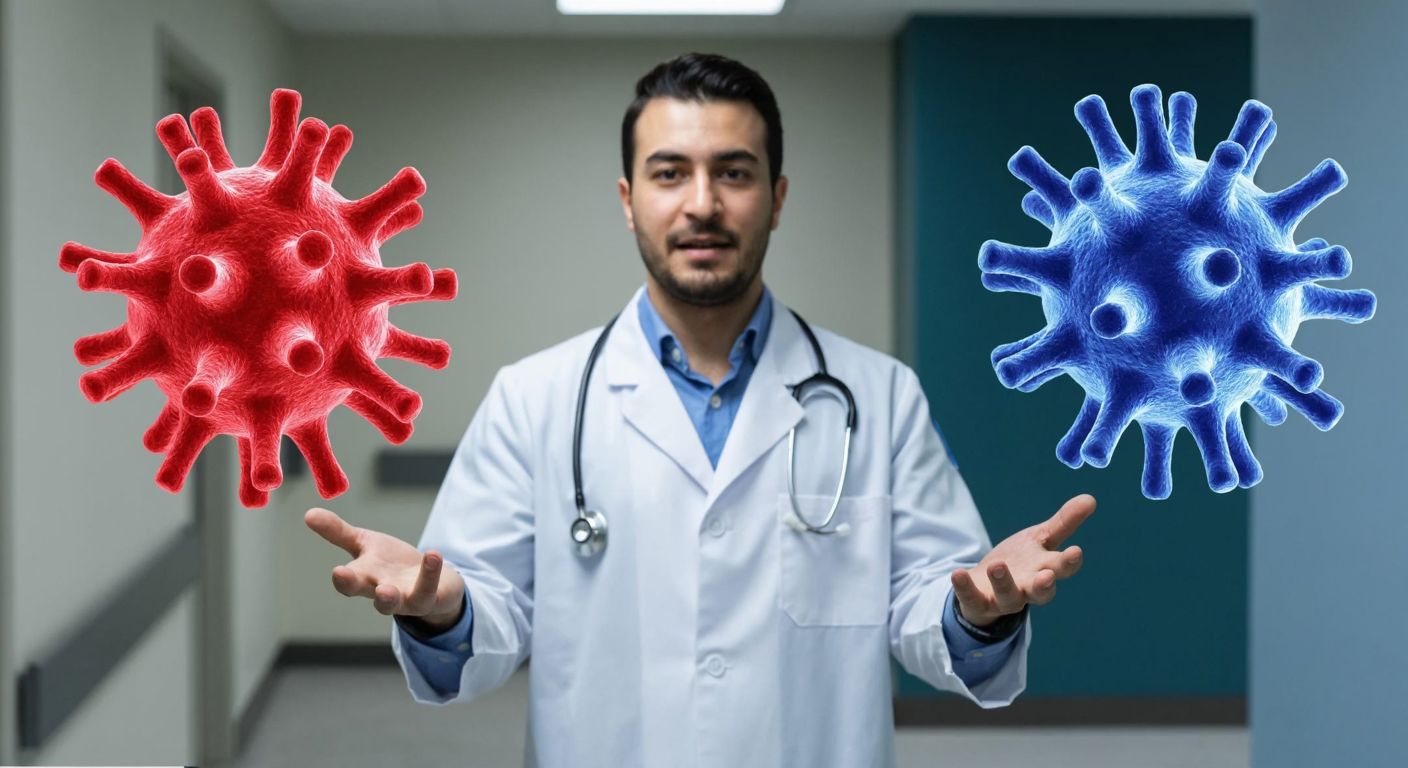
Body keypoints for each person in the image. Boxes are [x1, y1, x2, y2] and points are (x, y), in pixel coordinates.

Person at [305, 52, 1092, 767]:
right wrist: (443, 611)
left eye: (736, 173)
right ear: (628, 198)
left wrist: (982, 615)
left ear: (777, 198)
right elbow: (488, 622)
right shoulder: (534, 398)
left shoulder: (877, 394)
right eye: (670, 173)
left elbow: (931, 603)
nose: (703, 204)